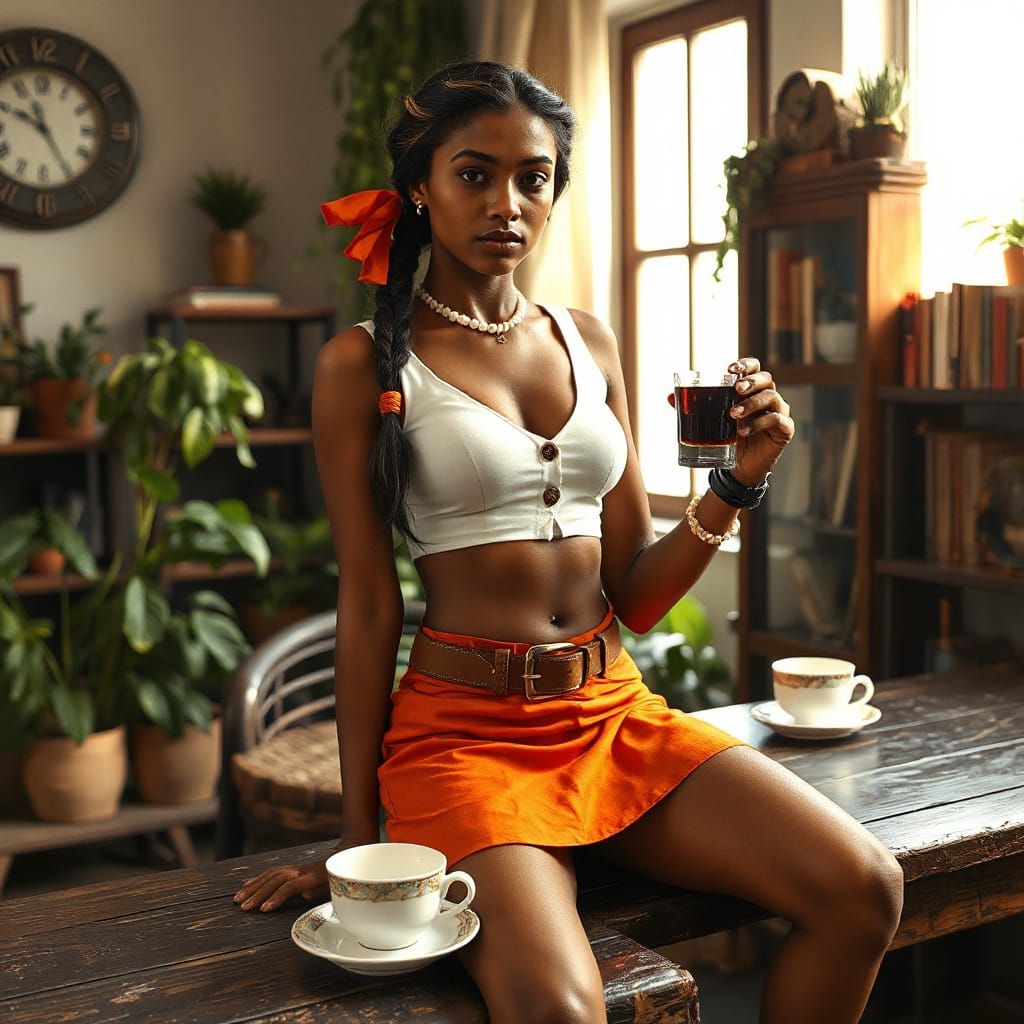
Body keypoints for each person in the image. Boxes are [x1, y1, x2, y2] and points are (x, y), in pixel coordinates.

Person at [234, 59, 904, 1024]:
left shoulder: (591, 342)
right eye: (475, 173)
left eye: (533, 177)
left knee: (864, 889)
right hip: (464, 743)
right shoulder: (363, 364)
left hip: (611, 716)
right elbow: (369, 606)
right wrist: (356, 848)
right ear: (420, 187)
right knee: (560, 1009)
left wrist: (737, 480)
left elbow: (633, 591)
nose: (507, 202)